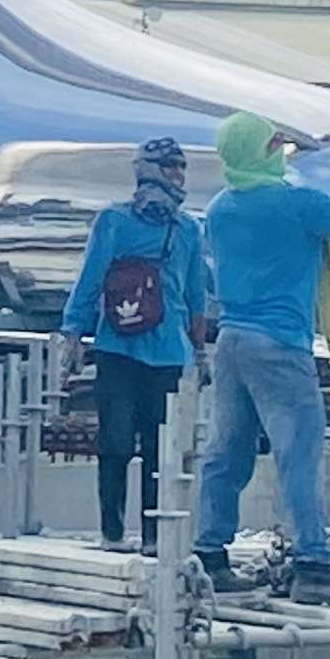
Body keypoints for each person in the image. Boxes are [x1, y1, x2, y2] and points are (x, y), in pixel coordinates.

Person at [194, 111, 330, 583]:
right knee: (299, 450)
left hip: (231, 343)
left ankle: (208, 550)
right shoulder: (293, 205)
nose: (282, 153)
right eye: (275, 146)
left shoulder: (220, 209)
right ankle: (313, 556)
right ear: (263, 153)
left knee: (227, 450)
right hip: (280, 345)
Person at [59, 135, 214, 547]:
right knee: (115, 441)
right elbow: (90, 280)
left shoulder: (188, 229)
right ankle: (111, 531)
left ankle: (151, 535)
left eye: (181, 166)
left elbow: (196, 294)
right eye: (169, 166)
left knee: (159, 447)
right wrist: (72, 332)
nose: (177, 175)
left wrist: (199, 349)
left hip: (167, 352)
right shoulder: (114, 221)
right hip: (117, 348)